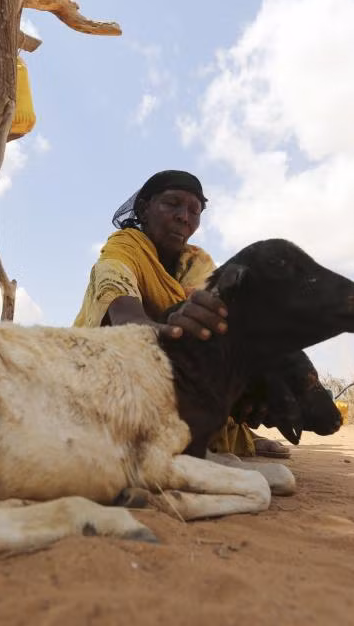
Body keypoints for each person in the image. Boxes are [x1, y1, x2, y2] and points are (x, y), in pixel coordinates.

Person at [73, 169, 291, 459]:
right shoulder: (125, 246)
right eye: (172, 203)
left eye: (194, 210)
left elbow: (222, 319)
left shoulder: (198, 261)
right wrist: (163, 333)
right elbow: (124, 311)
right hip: (118, 366)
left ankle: (233, 429)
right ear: (144, 208)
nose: (183, 217)